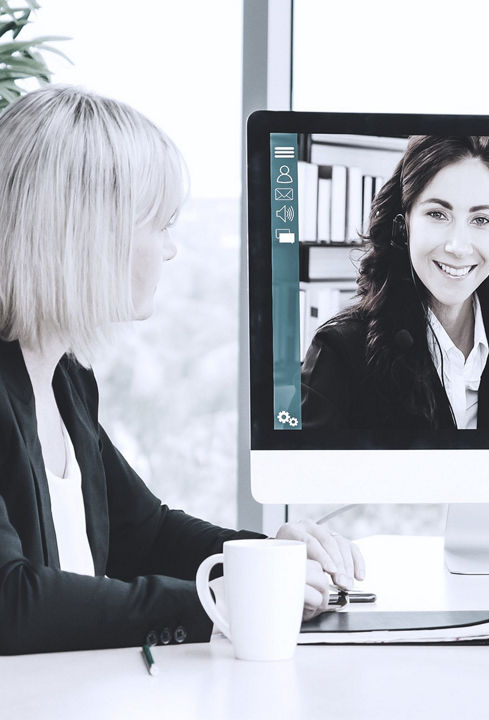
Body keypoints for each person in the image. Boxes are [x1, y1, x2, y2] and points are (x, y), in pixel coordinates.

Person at [0, 86, 363, 655]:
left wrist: (269, 559)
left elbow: (145, 533)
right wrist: (223, 601)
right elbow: (10, 602)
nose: (170, 251)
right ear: (90, 233)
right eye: (161, 225)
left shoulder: (64, 378)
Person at [301, 136, 489, 430]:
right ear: (404, 223)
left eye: (481, 219)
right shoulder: (340, 355)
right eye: (437, 214)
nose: (459, 246)